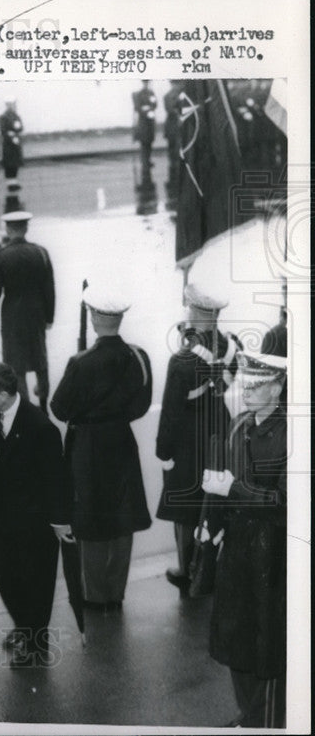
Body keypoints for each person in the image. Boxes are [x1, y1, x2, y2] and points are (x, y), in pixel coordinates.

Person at [50, 285, 152, 611]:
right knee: (122, 517)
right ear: (120, 318)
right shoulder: (138, 356)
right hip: (121, 441)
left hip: (89, 447)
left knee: (91, 519)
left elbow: (60, 409)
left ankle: (94, 595)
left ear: (94, 317)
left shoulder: (81, 363)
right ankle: (115, 593)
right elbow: (141, 405)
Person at [202, 352, 287, 728]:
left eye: (258, 385)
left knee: (266, 645)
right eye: (245, 384)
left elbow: (286, 503)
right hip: (236, 548)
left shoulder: (292, 434)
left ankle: (261, 721)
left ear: (279, 387)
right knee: (236, 639)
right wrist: (209, 522)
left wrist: (233, 489)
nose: (247, 392)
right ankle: (248, 715)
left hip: (272, 553)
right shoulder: (239, 426)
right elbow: (219, 481)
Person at [0, 362, 71, 666]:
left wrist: (59, 520)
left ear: (4, 394)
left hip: (35, 523)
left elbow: (57, 479)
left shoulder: (41, 428)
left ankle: (35, 644)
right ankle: (23, 627)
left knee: (36, 584)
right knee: (3, 573)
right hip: (5, 517)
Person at [155, 282, 240, 594]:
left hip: (189, 442)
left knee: (187, 510)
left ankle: (187, 571)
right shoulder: (234, 346)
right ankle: (211, 568)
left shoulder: (182, 360)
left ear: (192, 310)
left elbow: (171, 413)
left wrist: (163, 451)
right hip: (222, 435)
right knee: (216, 502)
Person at [0, 212, 55, 413]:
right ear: (26, 228)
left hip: (12, 313)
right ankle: (43, 400)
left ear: (8, 230)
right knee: (40, 357)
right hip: (36, 311)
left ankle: (25, 407)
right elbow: (49, 288)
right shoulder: (41, 252)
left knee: (16, 363)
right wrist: (50, 316)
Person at [132, 80, 158, 180]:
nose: (146, 84)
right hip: (143, 121)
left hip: (150, 121)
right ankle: (144, 162)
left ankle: (148, 160)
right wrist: (146, 110)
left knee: (150, 141)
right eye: (145, 83)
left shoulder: (151, 93)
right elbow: (137, 107)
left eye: (148, 83)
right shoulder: (139, 94)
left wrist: (150, 108)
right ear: (143, 83)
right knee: (144, 142)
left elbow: (155, 104)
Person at [0, 97, 24, 180]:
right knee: (9, 164)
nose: (13, 106)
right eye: (12, 104)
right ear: (8, 105)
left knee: (15, 163)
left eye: (14, 104)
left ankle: (14, 181)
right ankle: (10, 182)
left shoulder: (16, 116)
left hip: (16, 142)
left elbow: (21, 128)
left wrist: (18, 128)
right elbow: (3, 130)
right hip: (8, 144)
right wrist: (11, 135)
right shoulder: (3, 117)